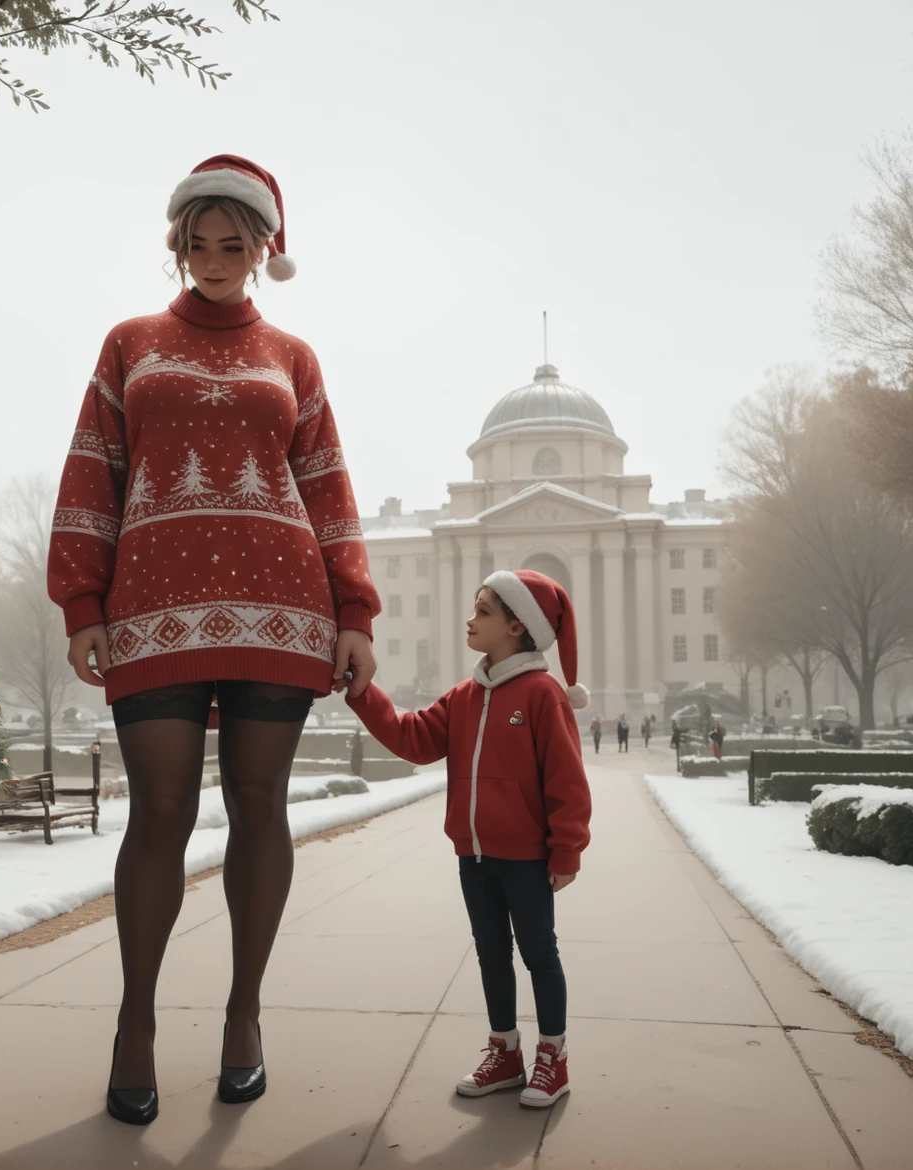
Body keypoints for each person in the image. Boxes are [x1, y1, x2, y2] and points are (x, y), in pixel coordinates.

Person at [48, 155, 379, 1127]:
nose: (213, 259)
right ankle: (136, 1025)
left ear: (265, 248)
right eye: (196, 241)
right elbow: (91, 471)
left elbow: (325, 483)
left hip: (282, 610)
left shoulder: (295, 358)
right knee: (158, 813)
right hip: (150, 614)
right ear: (176, 244)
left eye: (233, 243)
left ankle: (243, 1017)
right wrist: (81, 605)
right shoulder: (129, 344)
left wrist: (352, 613)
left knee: (258, 807)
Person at [347, 568, 591, 1108]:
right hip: (473, 855)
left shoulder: (542, 694)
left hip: (526, 857)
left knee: (539, 955)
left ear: (517, 627)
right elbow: (413, 737)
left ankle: (555, 1058)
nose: (470, 619)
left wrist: (566, 848)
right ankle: (505, 1053)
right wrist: (364, 694)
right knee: (490, 955)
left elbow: (567, 779)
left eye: (483, 610)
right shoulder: (464, 696)